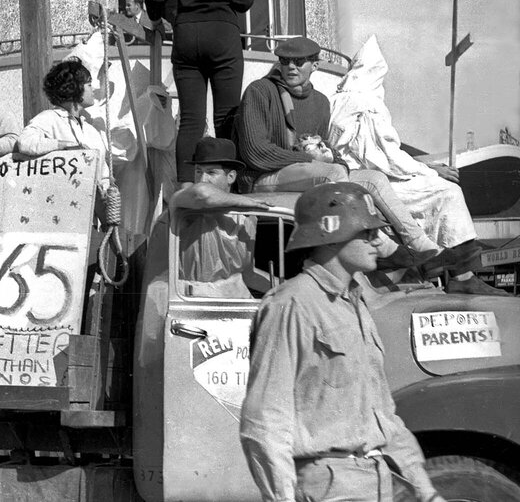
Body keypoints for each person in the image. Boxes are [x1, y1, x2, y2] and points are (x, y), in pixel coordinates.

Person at [235, 37, 502, 295]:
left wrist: (327, 155)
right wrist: (311, 159)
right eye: (285, 61)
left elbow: (332, 152)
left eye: (299, 61)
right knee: (335, 173)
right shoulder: (260, 91)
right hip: (263, 177)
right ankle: (381, 246)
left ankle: (420, 246)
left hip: (303, 172)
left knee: (372, 178)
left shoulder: (320, 103)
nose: (291, 67)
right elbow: (255, 152)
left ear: (314, 65)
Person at [240, 182, 446, 502]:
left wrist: (426, 491)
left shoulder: (355, 304)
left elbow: (383, 415)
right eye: (366, 232)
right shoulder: (292, 304)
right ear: (331, 233)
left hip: (374, 483)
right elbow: (264, 420)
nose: (377, 240)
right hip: (327, 486)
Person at [145, 0, 253, 185]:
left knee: (191, 120)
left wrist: (159, 16)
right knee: (226, 117)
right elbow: (244, 0)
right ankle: (231, 187)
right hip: (222, 35)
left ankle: (185, 188)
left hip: (187, 34)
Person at [168, 138, 273, 298]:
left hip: (235, 303)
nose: (202, 179)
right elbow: (203, 193)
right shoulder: (184, 205)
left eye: (211, 172)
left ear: (231, 177)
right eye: (198, 171)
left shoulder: (246, 219)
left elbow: (248, 275)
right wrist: (244, 200)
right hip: (192, 302)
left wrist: (289, 288)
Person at [17, 59, 111, 187]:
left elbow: (103, 172)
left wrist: (108, 189)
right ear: (74, 88)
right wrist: (63, 146)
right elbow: (25, 142)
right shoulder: (49, 119)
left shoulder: (91, 131)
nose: (93, 89)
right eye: (89, 84)